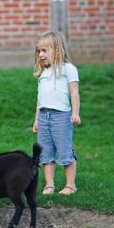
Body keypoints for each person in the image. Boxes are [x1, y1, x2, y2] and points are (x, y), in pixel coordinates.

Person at [31, 30, 81, 196]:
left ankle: (70, 185)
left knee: (65, 150)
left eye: (44, 51)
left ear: (57, 50)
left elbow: (74, 93)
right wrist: (37, 120)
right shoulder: (43, 73)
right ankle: (49, 185)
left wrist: (75, 113)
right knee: (45, 151)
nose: (41, 55)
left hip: (61, 117)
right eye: (39, 51)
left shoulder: (68, 69)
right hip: (44, 117)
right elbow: (40, 99)